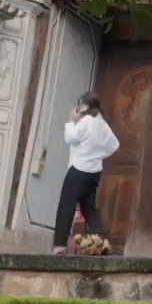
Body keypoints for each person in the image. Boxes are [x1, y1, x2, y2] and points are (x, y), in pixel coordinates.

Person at [52, 92, 119, 253]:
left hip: (79, 169)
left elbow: (70, 138)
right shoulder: (101, 123)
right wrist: (98, 155)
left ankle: (60, 244)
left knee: (67, 205)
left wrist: (71, 121)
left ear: (86, 106)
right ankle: (102, 243)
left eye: (81, 104)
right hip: (94, 172)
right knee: (89, 209)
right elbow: (114, 145)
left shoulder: (87, 121)